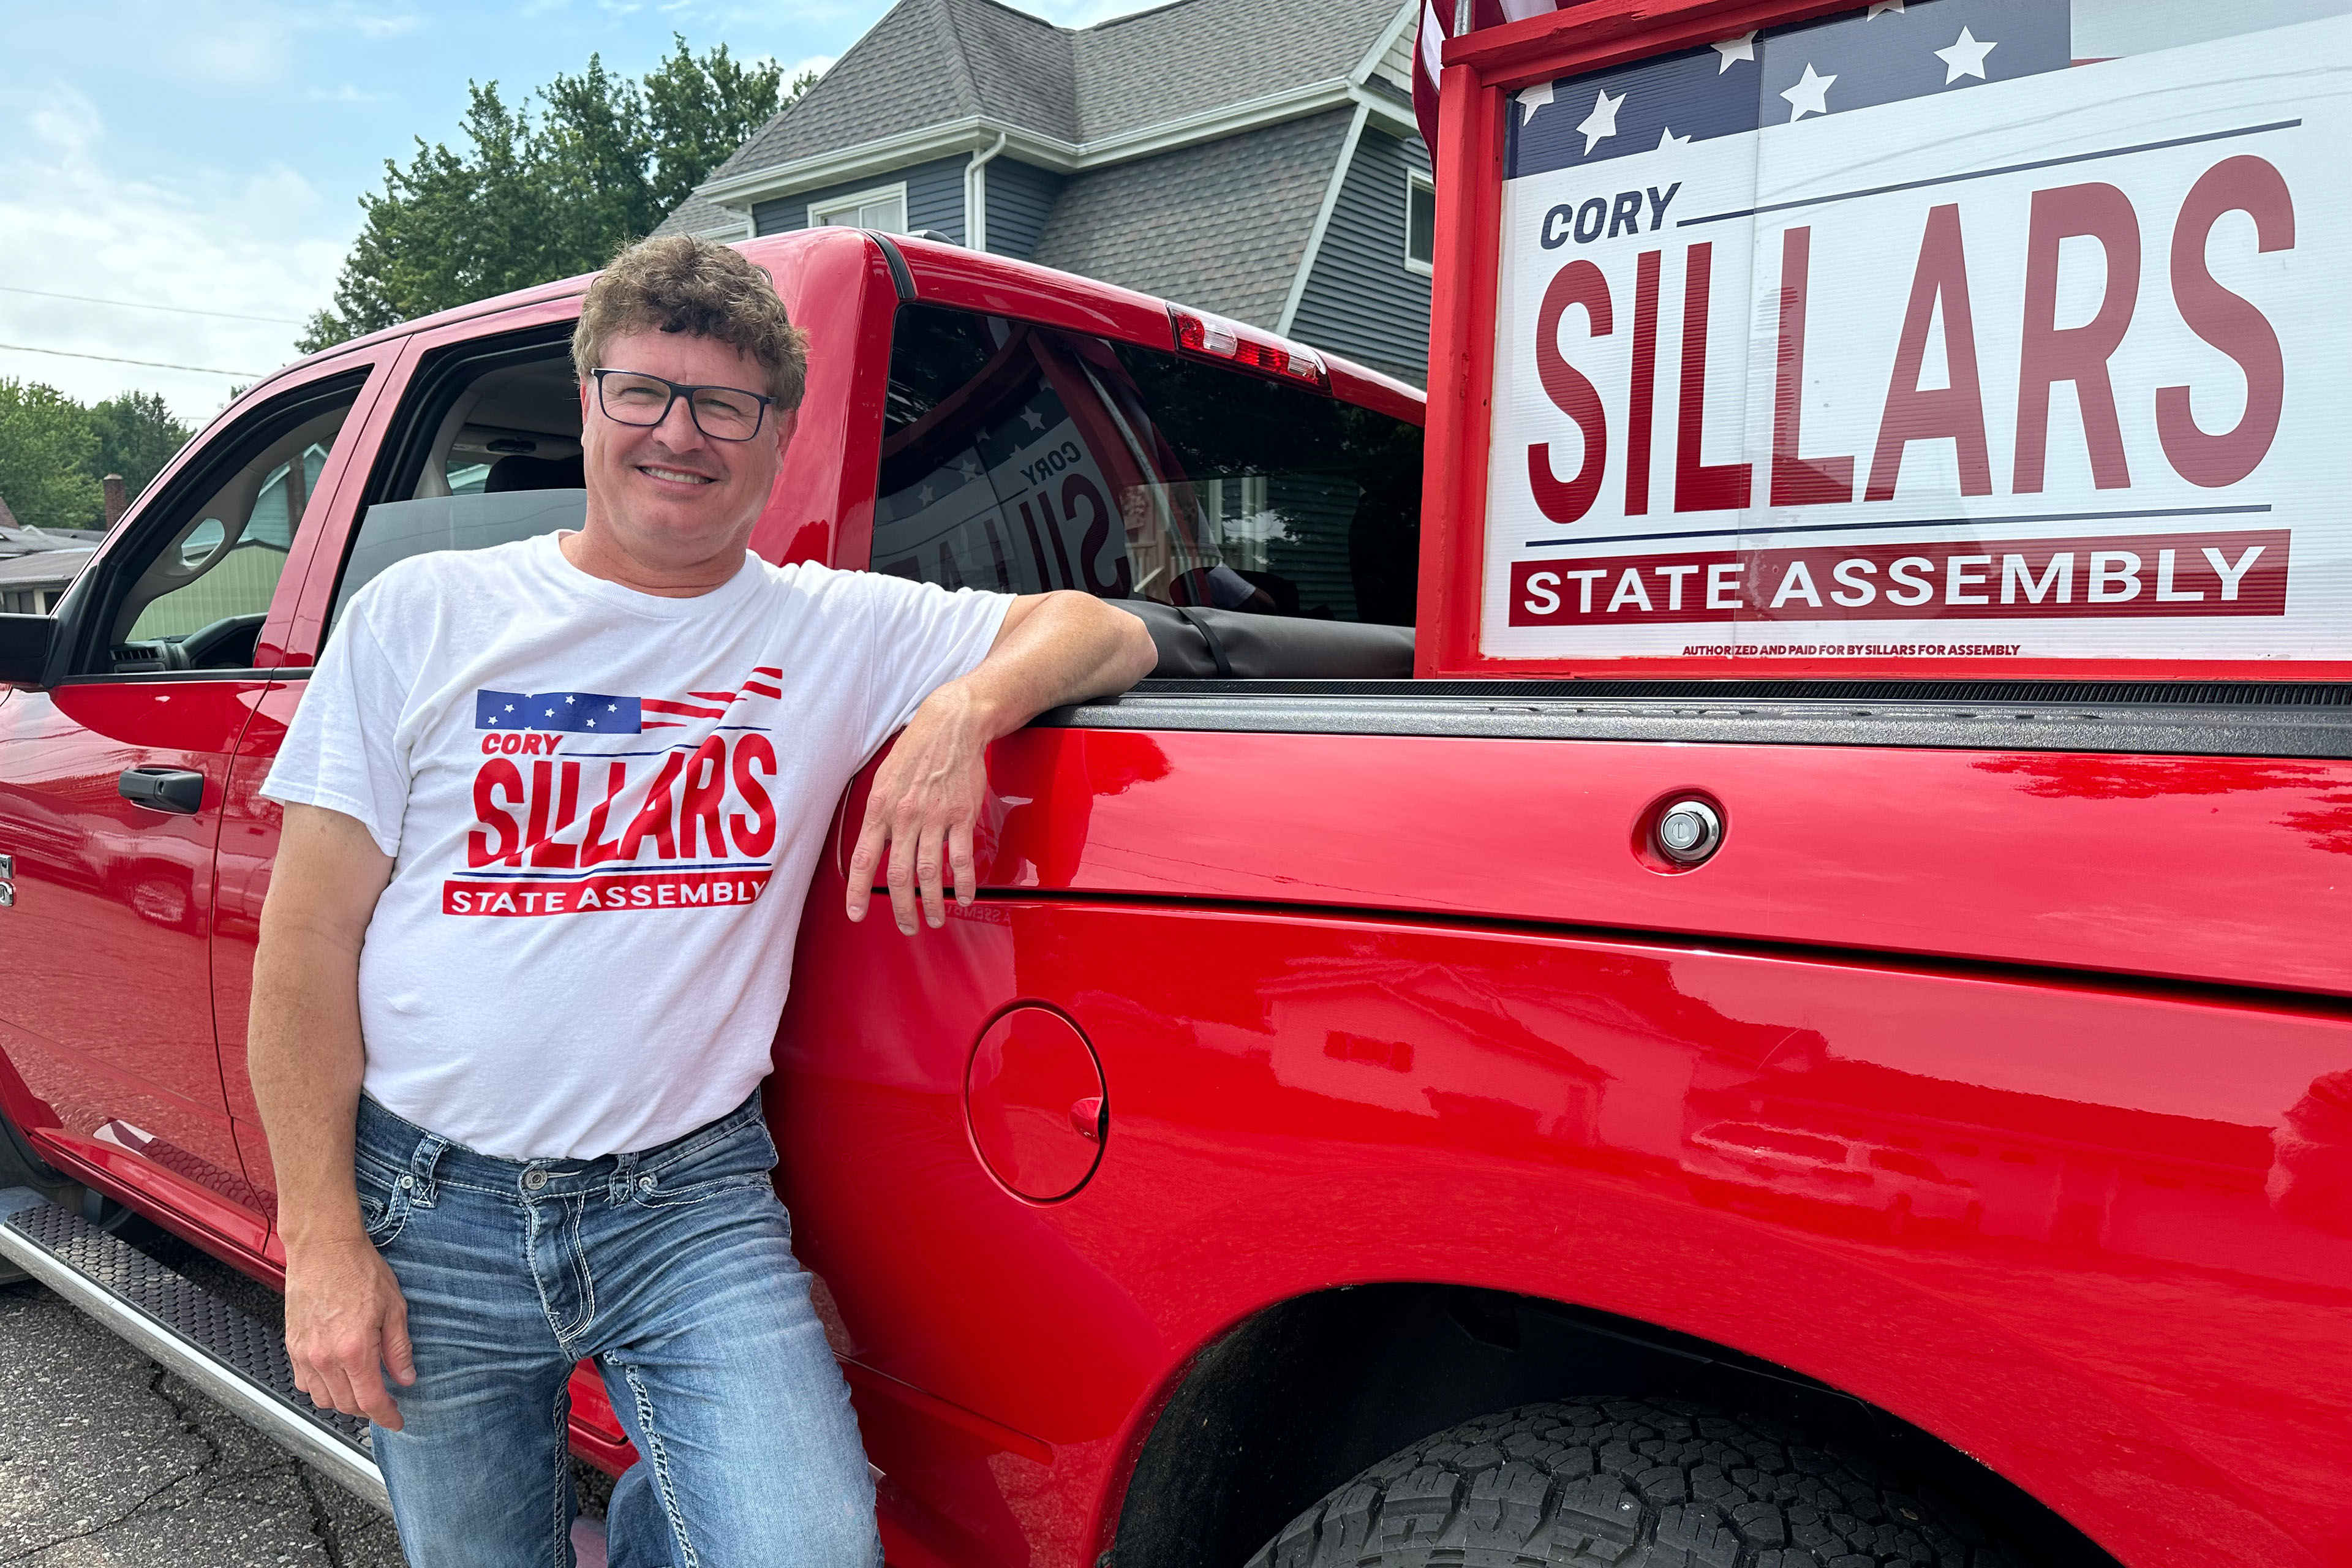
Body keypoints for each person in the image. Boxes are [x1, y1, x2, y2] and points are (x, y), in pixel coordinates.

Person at [247, 234, 1158, 1567]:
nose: (679, 434)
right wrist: (323, 1238)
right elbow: (308, 934)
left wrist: (968, 703)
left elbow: (1106, 627)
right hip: (429, 1203)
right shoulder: (423, 615)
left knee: (806, 1543)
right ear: (590, 400)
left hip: (688, 1200)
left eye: (723, 404)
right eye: (644, 392)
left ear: (777, 433)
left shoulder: (831, 626)